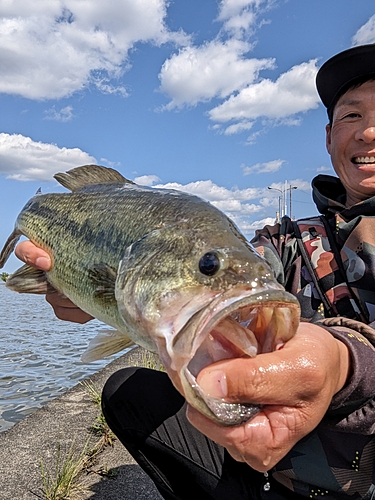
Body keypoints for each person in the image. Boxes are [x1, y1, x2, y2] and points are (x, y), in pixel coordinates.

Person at [14, 44, 375, 499]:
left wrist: (344, 365)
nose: (368, 132)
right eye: (351, 116)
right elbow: (235, 284)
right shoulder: (284, 240)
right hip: (274, 467)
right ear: (328, 137)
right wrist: (105, 299)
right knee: (128, 390)